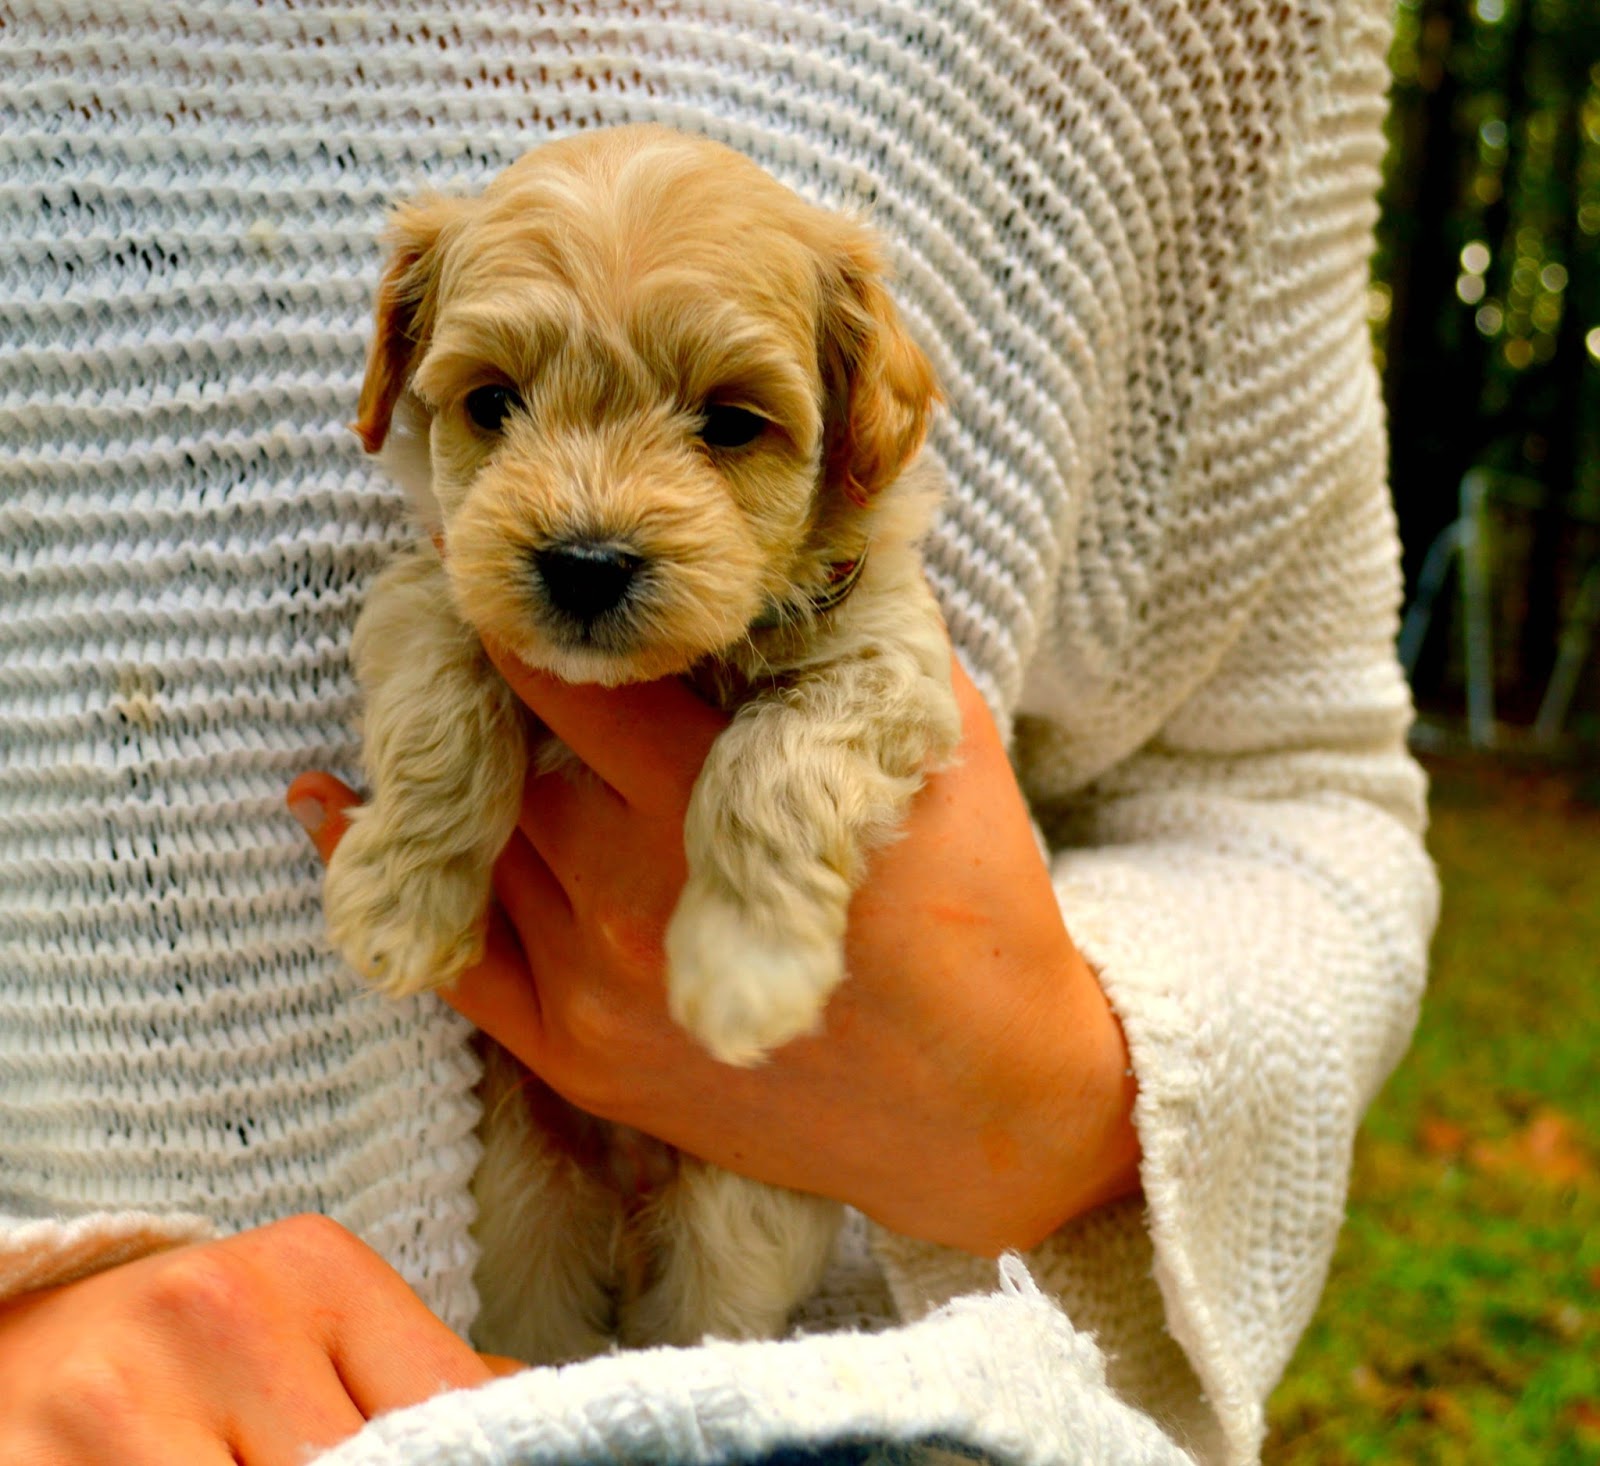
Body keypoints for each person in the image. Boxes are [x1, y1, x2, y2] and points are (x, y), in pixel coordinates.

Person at [0, 1, 1438, 1462]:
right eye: (495, 404)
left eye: (727, 425)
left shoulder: (1205, 36)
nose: (583, 520)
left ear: (857, 423)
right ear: (402, 376)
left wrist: (1049, 1095)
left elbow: (1285, 782)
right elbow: (422, 624)